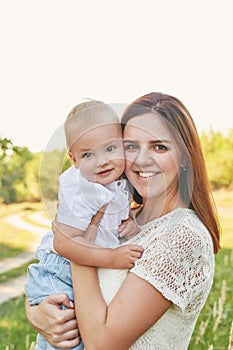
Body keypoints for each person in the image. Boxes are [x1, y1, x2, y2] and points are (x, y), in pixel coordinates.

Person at [25, 92, 221, 350]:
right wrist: (38, 315)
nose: (141, 159)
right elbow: (59, 281)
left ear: (185, 156)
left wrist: (79, 245)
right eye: (130, 146)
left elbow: (100, 344)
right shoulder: (123, 218)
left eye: (159, 147)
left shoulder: (182, 236)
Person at [24, 99, 142, 350]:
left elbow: (115, 213)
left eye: (110, 149)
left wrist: (130, 219)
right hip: (60, 270)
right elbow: (64, 242)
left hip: (81, 268)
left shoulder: (118, 182)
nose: (102, 161)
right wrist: (111, 258)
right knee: (68, 338)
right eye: (88, 154)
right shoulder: (80, 188)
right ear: (74, 159)